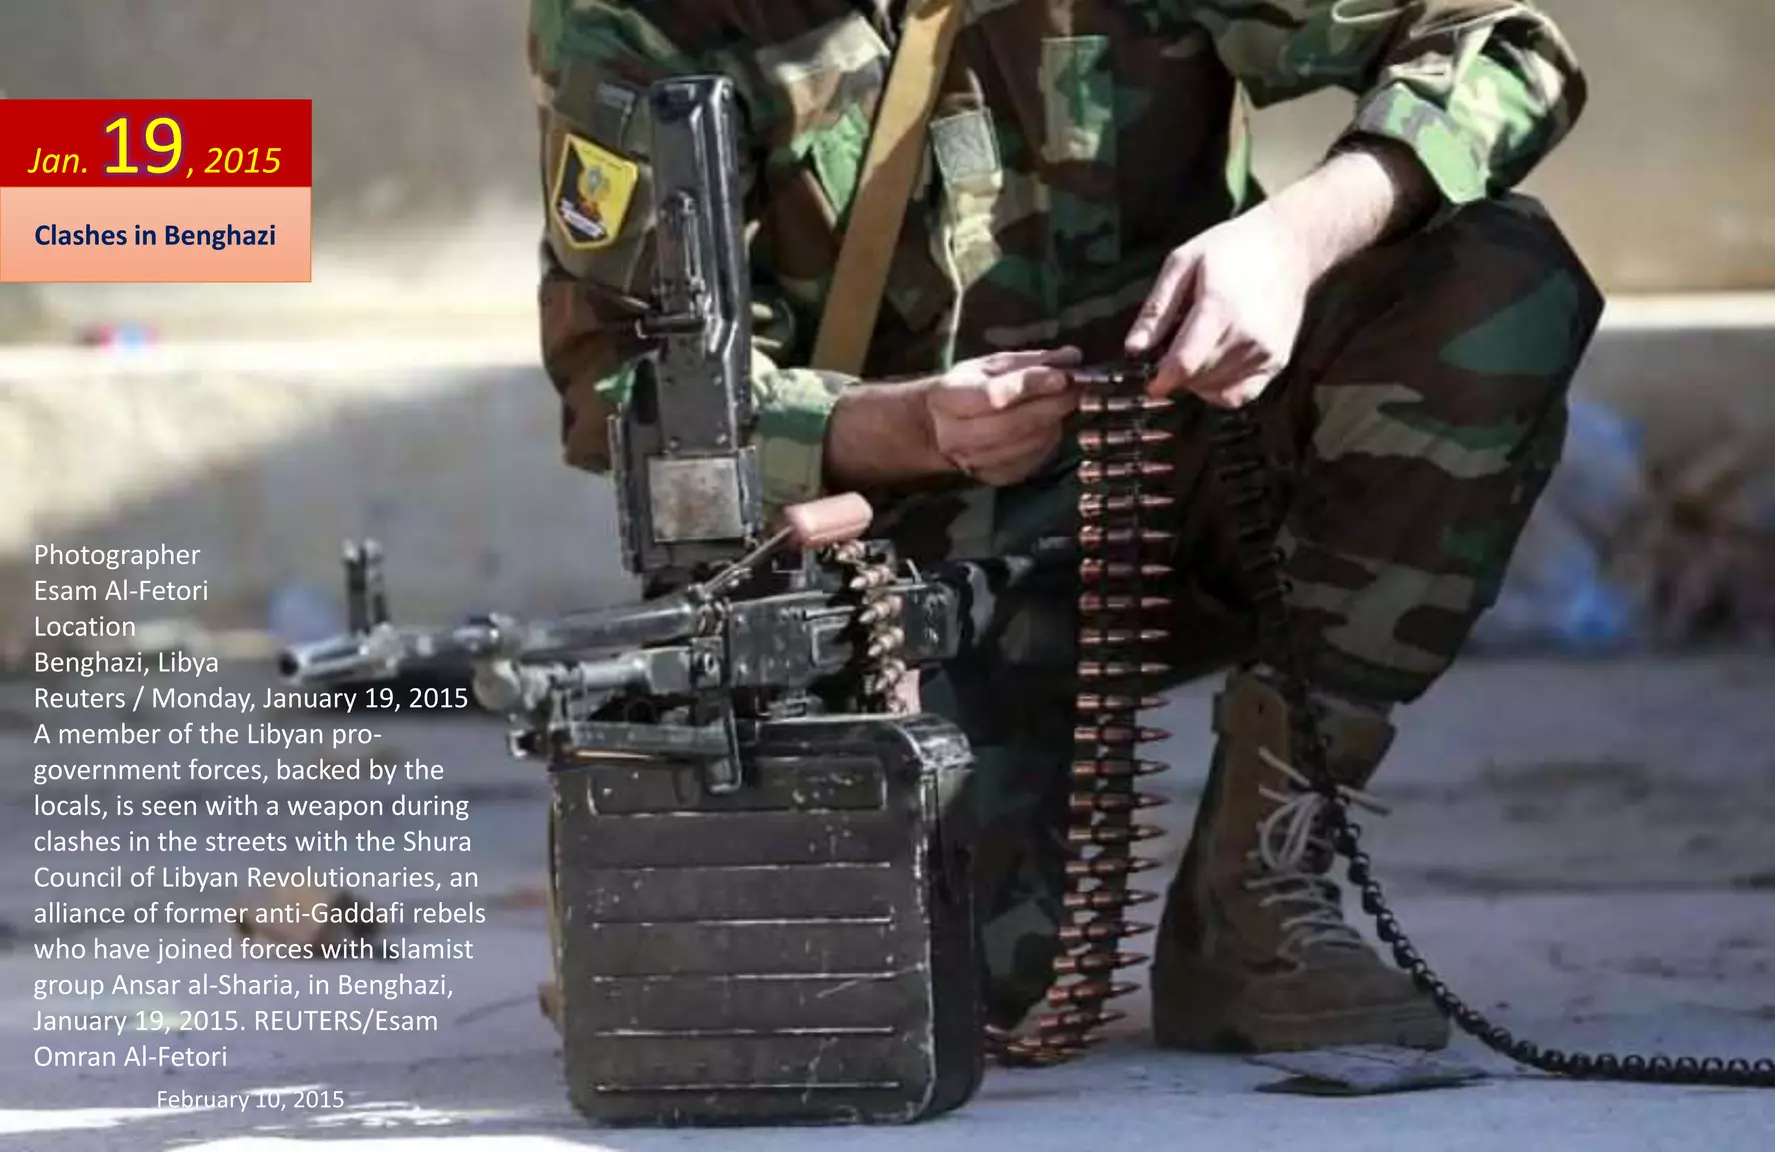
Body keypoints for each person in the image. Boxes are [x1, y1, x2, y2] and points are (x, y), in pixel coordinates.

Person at [527, 0, 1602, 1054]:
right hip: (908, 570)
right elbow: (620, 392)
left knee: (1495, 276)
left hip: (1190, 478)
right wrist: (899, 427)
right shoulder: (637, 19)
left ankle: (1261, 894)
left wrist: (1287, 240)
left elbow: (1505, 50)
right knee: (938, 985)